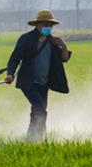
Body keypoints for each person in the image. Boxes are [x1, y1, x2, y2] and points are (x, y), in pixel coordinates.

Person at [5, 9, 72, 142]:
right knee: (40, 109)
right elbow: (14, 59)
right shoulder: (26, 39)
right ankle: (33, 138)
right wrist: (10, 74)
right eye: (45, 25)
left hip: (44, 83)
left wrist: (63, 45)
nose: (48, 28)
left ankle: (37, 139)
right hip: (28, 82)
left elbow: (64, 59)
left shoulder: (53, 42)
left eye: (50, 25)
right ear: (37, 25)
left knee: (39, 110)